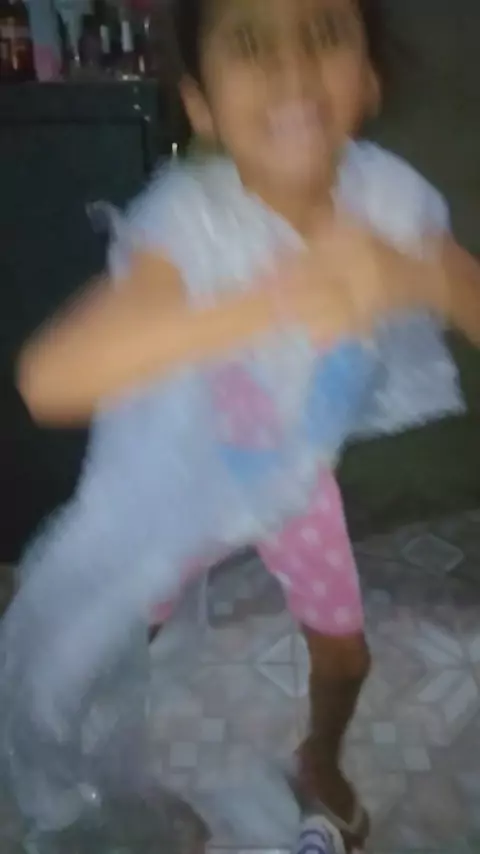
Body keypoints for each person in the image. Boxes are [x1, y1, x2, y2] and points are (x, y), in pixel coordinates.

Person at [10, 0, 480, 851]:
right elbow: (50, 379)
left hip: (290, 480)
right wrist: (269, 302)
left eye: (324, 35)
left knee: (345, 652)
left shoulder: (390, 202)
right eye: (251, 45)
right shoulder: (188, 218)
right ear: (201, 104)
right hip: (182, 476)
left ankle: (320, 761)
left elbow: (462, 291)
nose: (291, 71)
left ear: (369, 77)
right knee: (114, 633)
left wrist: (417, 274)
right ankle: (111, 778)